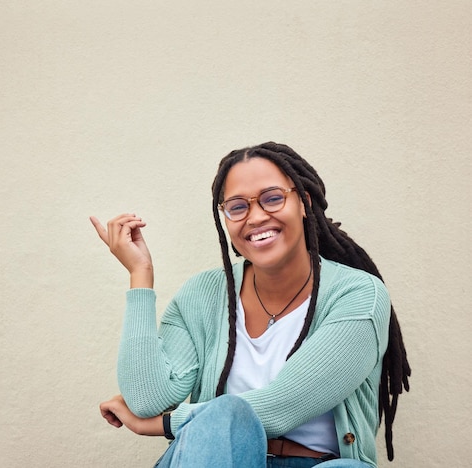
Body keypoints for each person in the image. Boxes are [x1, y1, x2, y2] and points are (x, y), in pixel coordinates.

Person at [90, 142, 410, 467]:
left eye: (273, 198)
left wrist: (165, 424)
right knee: (223, 421)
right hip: (223, 459)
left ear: (304, 202)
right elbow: (147, 398)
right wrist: (140, 275)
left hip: (322, 463)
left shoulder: (358, 295)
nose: (255, 217)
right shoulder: (202, 295)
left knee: (233, 415)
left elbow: (280, 406)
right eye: (238, 206)